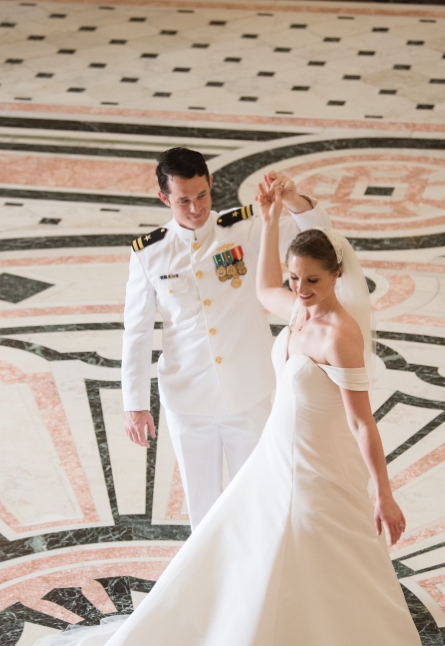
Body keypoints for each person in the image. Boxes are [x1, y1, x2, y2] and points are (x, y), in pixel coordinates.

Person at [0, 184, 426, 646]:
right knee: (253, 559)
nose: (298, 291)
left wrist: (384, 491)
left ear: (336, 276)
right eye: (296, 281)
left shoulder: (338, 333)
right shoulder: (295, 309)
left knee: (310, 563)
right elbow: (263, 284)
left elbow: (360, 421)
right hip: (278, 461)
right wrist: (269, 221)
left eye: (313, 283)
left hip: (319, 468)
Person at [123, 147, 332, 526]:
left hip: (248, 391)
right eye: (183, 200)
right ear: (164, 198)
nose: (196, 208)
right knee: (202, 509)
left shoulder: (245, 227)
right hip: (187, 398)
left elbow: (319, 238)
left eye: (202, 195)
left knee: (260, 499)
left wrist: (294, 200)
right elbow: (136, 333)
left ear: (211, 183)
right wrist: (134, 404)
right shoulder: (149, 254)